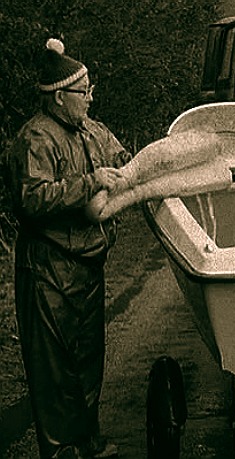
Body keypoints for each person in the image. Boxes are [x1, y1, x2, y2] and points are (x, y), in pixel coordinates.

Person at [5, 38, 131, 459]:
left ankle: (87, 442)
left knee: (88, 361)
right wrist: (90, 184)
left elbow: (123, 159)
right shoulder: (35, 138)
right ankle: (59, 452)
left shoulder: (93, 131)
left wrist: (136, 169)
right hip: (47, 269)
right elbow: (31, 199)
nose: (92, 98)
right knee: (53, 370)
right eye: (85, 92)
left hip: (88, 265)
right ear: (60, 97)